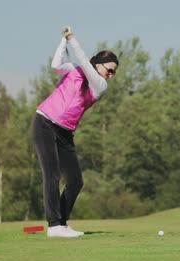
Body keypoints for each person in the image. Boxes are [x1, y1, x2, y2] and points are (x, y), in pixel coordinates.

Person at [31, 26, 118, 238]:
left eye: (114, 72)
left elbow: (86, 65)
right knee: (51, 175)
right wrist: (65, 40)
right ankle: (54, 226)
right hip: (44, 123)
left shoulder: (99, 85)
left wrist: (72, 39)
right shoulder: (75, 69)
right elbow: (56, 64)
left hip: (65, 132)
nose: (111, 75)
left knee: (75, 181)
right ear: (98, 64)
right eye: (110, 69)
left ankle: (61, 222)